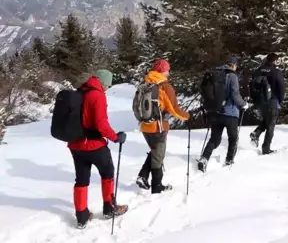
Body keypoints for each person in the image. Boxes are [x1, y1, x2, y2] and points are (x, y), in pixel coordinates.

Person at [67, 69, 128, 229]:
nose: (107, 88)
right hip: (93, 144)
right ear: (103, 83)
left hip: (75, 144)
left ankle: (82, 216)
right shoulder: (97, 95)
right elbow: (101, 124)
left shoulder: (81, 91)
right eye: (107, 85)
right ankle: (109, 208)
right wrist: (115, 137)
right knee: (107, 172)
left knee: (81, 179)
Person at [135, 59, 190, 193]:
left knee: (155, 152)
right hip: (158, 127)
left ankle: (143, 176)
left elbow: (136, 105)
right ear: (162, 71)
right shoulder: (164, 86)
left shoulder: (145, 83)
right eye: (167, 70)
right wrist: (187, 116)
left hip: (145, 125)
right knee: (158, 156)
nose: (168, 73)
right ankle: (156, 188)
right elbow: (174, 109)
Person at [198, 57, 249, 171]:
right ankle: (229, 161)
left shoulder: (215, 74)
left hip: (215, 111)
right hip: (230, 113)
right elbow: (235, 95)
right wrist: (243, 104)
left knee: (215, 139)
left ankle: (204, 158)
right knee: (233, 138)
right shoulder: (232, 76)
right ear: (233, 65)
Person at [249, 53, 286, 154]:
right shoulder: (276, 72)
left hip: (260, 101)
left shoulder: (258, 70)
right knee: (271, 126)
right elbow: (282, 88)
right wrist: (280, 100)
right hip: (272, 101)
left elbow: (251, 85)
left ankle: (256, 133)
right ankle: (266, 148)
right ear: (274, 61)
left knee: (267, 120)